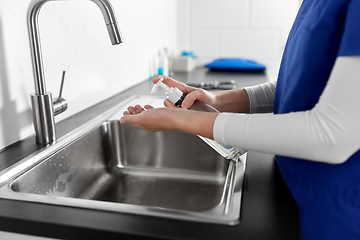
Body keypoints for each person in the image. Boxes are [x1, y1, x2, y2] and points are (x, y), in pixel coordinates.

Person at [120, 0, 360, 239]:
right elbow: (301, 82)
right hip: (294, 183)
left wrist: (178, 119)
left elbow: (332, 135)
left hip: (335, 211)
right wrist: (216, 100)